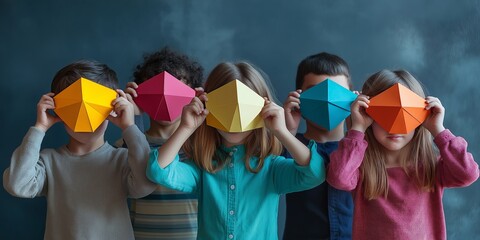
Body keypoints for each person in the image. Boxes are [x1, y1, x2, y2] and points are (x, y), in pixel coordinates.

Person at [146, 61, 326, 239]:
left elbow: (314, 172)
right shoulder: (203, 169)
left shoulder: (271, 168)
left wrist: (281, 131)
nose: (235, 119)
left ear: (262, 109)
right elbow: (158, 170)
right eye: (226, 107)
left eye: (245, 109)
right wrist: (186, 127)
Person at [3, 60, 156, 240]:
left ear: (112, 108)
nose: (84, 117)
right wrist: (39, 129)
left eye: (94, 108)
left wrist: (129, 127)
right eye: (74, 109)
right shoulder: (49, 162)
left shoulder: (121, 160)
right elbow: (17, 185)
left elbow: (146, 185)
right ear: (57, 109)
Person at [327, 69, 479, 239]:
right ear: (367, 115)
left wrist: (439, 130)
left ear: (420, 118)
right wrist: (357, 128)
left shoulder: (432, 167)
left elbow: (468, 174)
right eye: (384, 116)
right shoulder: (360, 168)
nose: (393, 127)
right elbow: (338, 177)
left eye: (404, 116)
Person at [119, 47, 204, 239]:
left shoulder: (201, 148)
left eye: (176, 90)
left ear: (193, 95)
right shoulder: (124, 145)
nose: (166, 98)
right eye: (157, 90)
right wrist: (132, 117)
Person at [282, 52, 354, 240]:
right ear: (299, 98)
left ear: (352, 97)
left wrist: (357, 129)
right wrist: (287, 131)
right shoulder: (287, 146)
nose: (327, 101)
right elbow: (267, 168)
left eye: (337, 92)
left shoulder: (364, 149)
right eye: (316, 91)